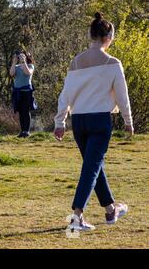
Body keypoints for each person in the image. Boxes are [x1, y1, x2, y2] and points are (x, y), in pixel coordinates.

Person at [54, 12, 133, 231]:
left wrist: (60, 121)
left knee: (93, 166)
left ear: (91, 34)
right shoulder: (113, 63)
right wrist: (128, 120)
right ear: (109, 37)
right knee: (91, 168)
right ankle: (76, 217)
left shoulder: (76, 62)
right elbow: (122, 96)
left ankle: (111, 211)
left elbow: (65, 94)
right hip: (100, 121)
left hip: (78, 122)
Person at [10, 50, 36, 138]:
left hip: (26, 92)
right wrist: (14, 62)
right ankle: (22, 131)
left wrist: (23, 61)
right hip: (17, 92)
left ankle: (26, 131)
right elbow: (11, 73)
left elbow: (27, 73)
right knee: (20, 112)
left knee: (26, 111)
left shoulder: (30, 66)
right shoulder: (16, 67)